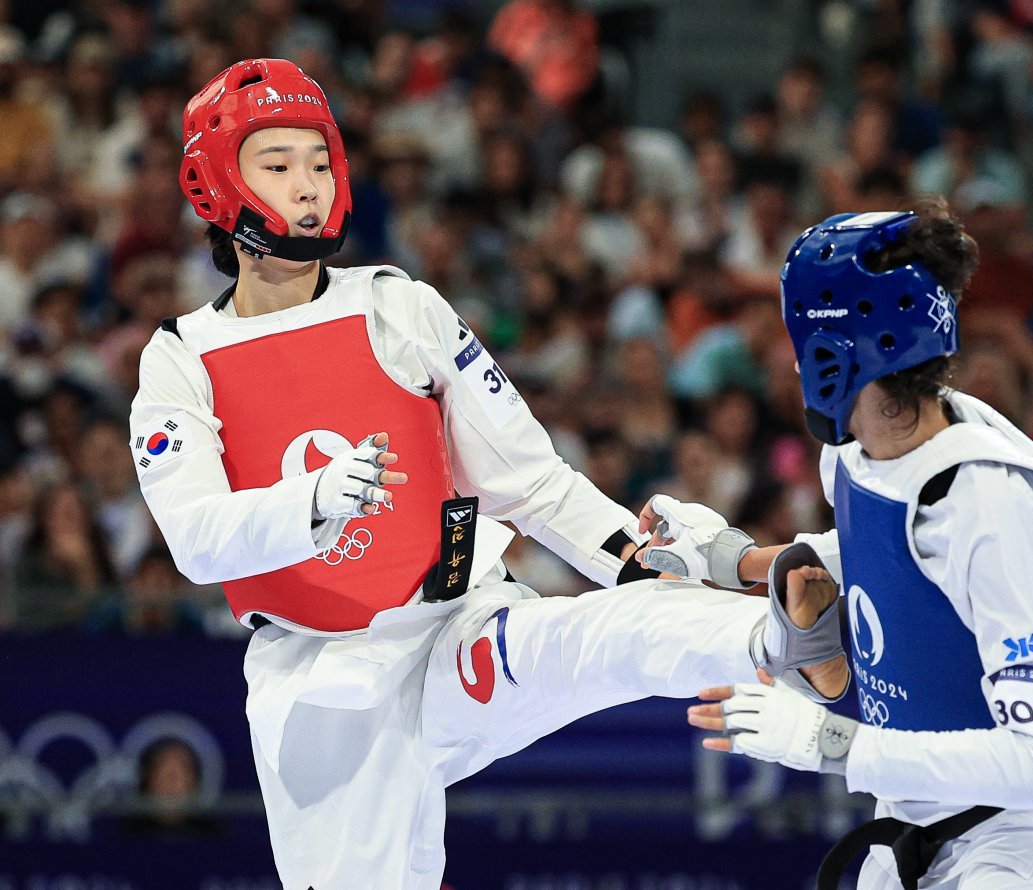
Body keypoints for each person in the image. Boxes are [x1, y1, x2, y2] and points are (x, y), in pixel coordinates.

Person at [129, 59, 829, 890]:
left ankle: (793, 638)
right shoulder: (180, 360)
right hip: (321, 683)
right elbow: (197, 546)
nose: (307, 187)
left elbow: (531, 482)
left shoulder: (400, 307)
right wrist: (306, 504)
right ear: (216, 184)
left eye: (319, 162)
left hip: (459, 624)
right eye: (276, 166)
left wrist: (633, 558)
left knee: (611, 633)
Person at [639, 202, 1033, 888]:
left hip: (1024, 835)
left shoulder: (986, 505)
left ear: (841, 350)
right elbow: (885, 552)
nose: (790, 359)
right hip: (911, 819)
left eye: (799, 340)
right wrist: (733, 559)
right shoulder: (858, 454)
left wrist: (827, 742)